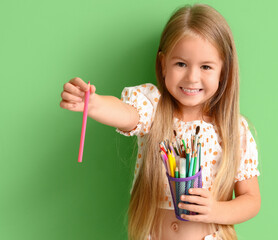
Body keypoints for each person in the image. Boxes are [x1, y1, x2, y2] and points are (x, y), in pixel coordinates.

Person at [60, 4, 261, 240]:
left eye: (206, 66)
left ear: (223, 71)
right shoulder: (152, 109)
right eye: (181, 64)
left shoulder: (233, 130)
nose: (192, 77)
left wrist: (216, 210)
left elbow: (251, 200)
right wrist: (93, 104)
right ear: (164, 64)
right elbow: (126, 114)